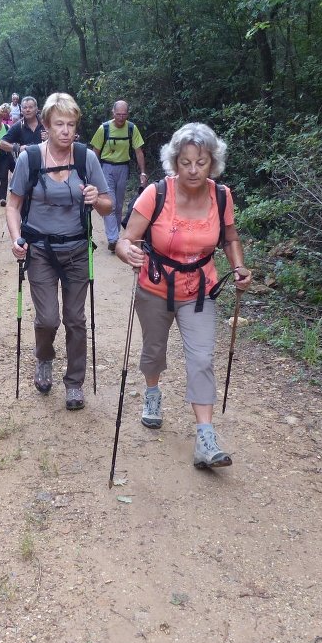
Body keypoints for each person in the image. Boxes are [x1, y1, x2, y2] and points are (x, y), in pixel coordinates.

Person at [116, 122, 251, 469]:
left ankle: (205, 437)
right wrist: (127, 251)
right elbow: (126, 239)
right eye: (186, 162)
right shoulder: (157, 194)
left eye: (201, 162)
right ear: (175, 162)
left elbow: (230, 238)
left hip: (200, 290)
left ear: (212, 163)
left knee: (202, 358)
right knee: (154, 349)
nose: (193, 169)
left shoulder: (221, 196)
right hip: (156, 286)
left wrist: (238, 266)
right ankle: (152, 393)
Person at [7, 93, 112, 411]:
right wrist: (16, 239)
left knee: (76, 319)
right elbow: (13, 205)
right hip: (39, 250)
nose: (65, 130)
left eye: (71, 125)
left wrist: (96, 198)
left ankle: (74, 384)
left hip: (78, 249)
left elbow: (108, 207)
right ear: (47, 127)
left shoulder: (85, 158)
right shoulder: (31, 159)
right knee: (49, 318)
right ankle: (44, 358)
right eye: (59, 124)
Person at [90, 101, 147, 252]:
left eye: (124, 114)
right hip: (106, 168)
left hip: (123, 168)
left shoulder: (131, 128)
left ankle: (114, 235)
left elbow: (139, 151)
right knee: (111, 203)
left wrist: (143, 172)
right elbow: (95, 151)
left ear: (127, 114)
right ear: (113, 113)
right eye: (118, 114)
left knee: (119, 205)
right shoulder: (104, 128)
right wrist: (92, 172)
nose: (121, 118)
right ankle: (113, 238)